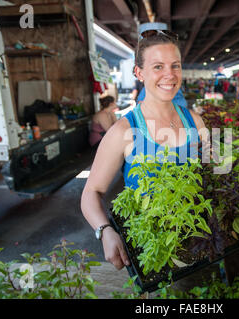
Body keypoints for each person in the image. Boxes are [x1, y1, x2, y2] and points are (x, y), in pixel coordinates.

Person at [81, 29, 208, 272]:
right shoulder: (123, 131)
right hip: (151, 252)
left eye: (175, 66)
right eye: (158, 67)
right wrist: (105, 231)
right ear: (139, 73)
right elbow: (91, 193)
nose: (169, 75)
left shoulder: (195, 121)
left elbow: (213, 174)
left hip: (199, 245)